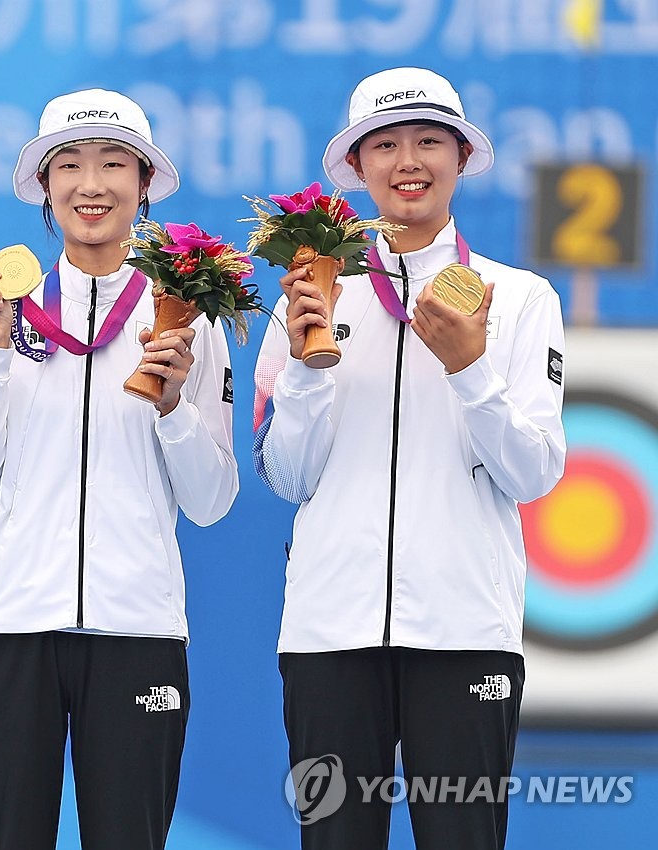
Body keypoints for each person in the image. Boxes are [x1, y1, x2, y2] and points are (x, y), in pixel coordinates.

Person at [253, 67, 566, 849]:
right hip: (329, 634)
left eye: (430, 140)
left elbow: (533, 474)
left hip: (464, 633)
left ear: (462, 156)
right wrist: (303, 366)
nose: (409, 161)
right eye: (385, 145)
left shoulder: (519, 298)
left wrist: (471, 368)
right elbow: (287, 477)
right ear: (356, 169)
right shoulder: (311, 295)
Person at [0, 89, 238, 850]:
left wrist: (173, 409)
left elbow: (210, 502)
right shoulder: (0, 310)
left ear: (144, 184)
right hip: (9, 629)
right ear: (45, 186)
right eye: (68, 165)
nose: (91, 184)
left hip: (137, 628)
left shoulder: (187, 318)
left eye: (113, 164)